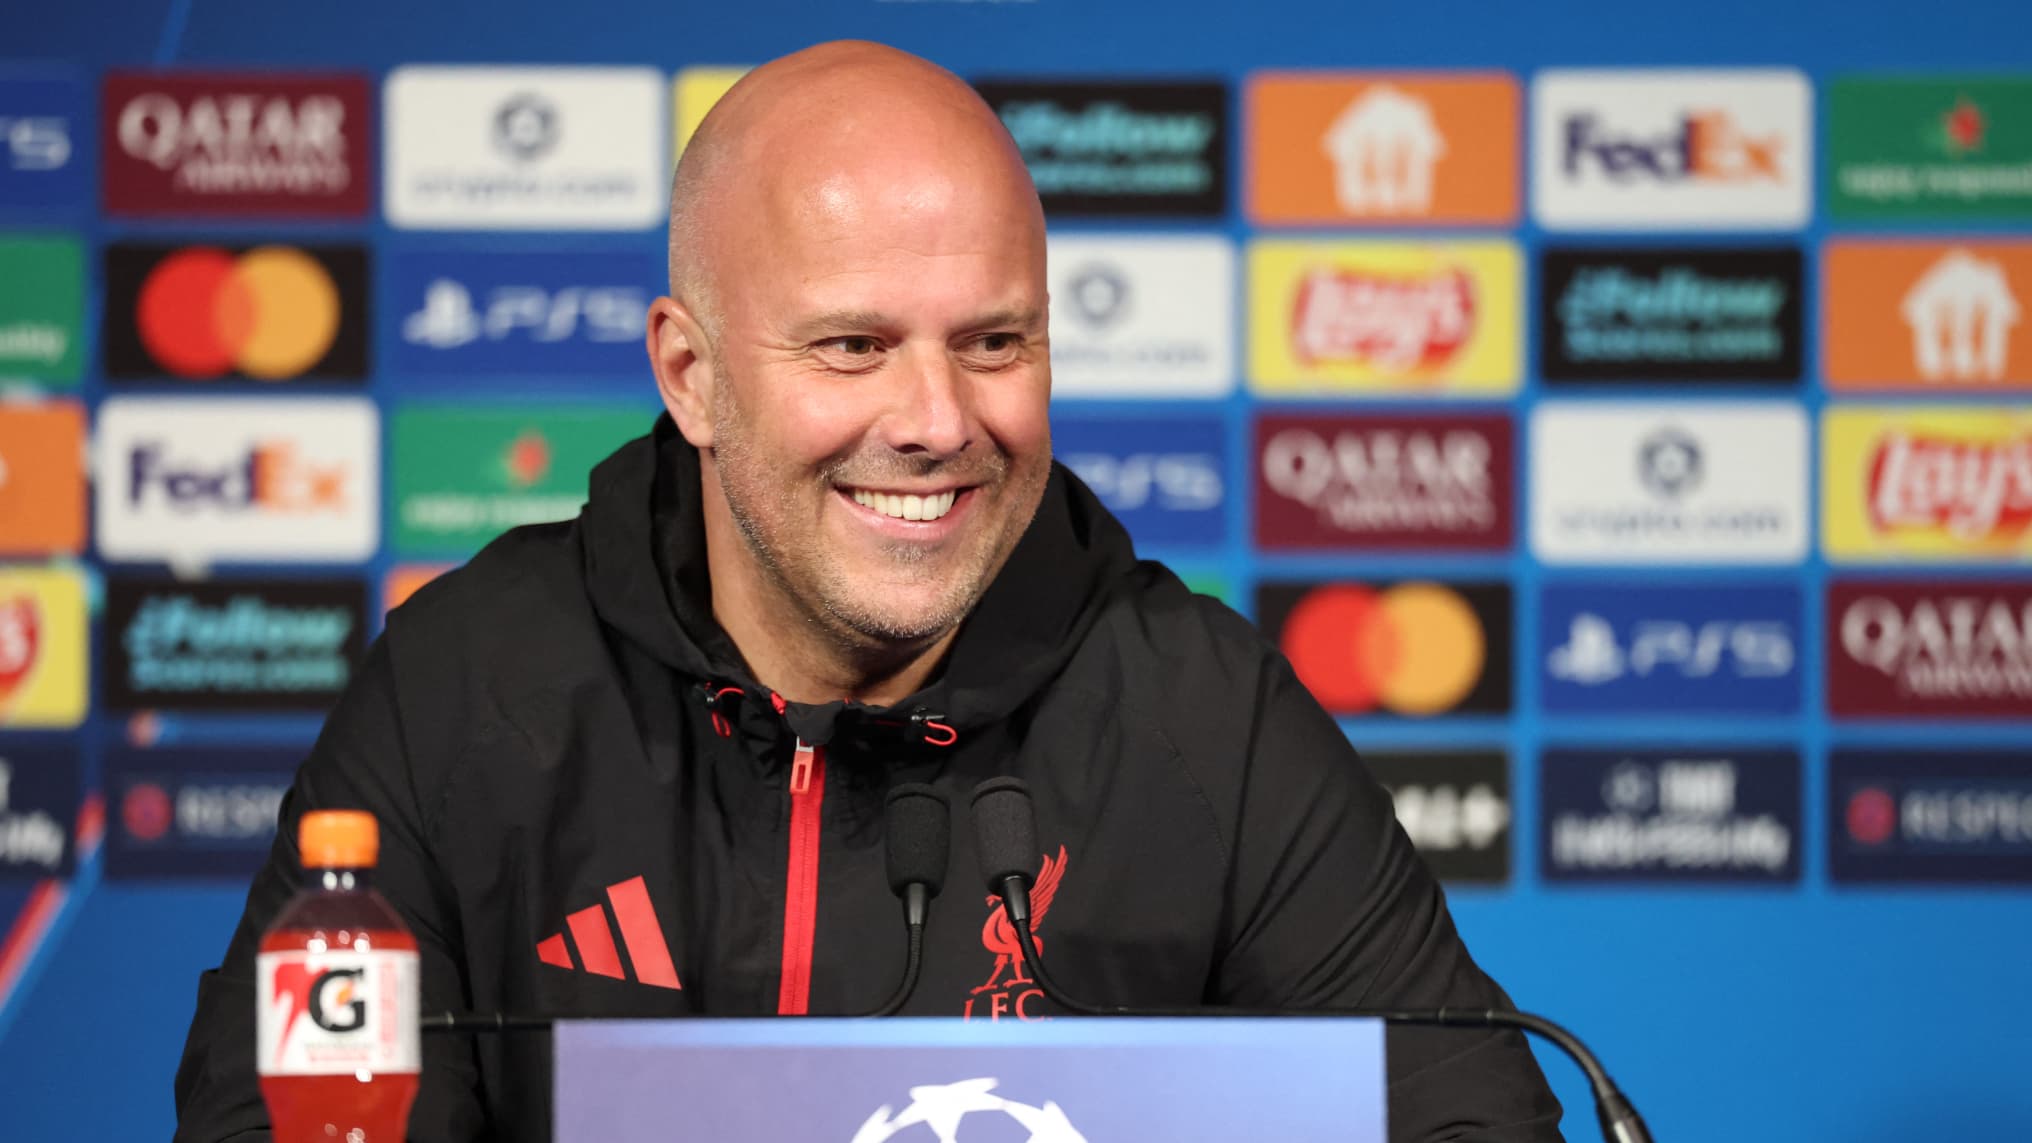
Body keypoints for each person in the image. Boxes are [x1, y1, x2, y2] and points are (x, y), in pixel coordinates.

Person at [174, 40, 1563, 1142]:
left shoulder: (1204, 715)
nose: (938, 421)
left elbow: (1473, 1119)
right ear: (691, 376)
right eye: (852, 346)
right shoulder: (466, 686)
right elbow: (282, 1123)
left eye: (995, 342)